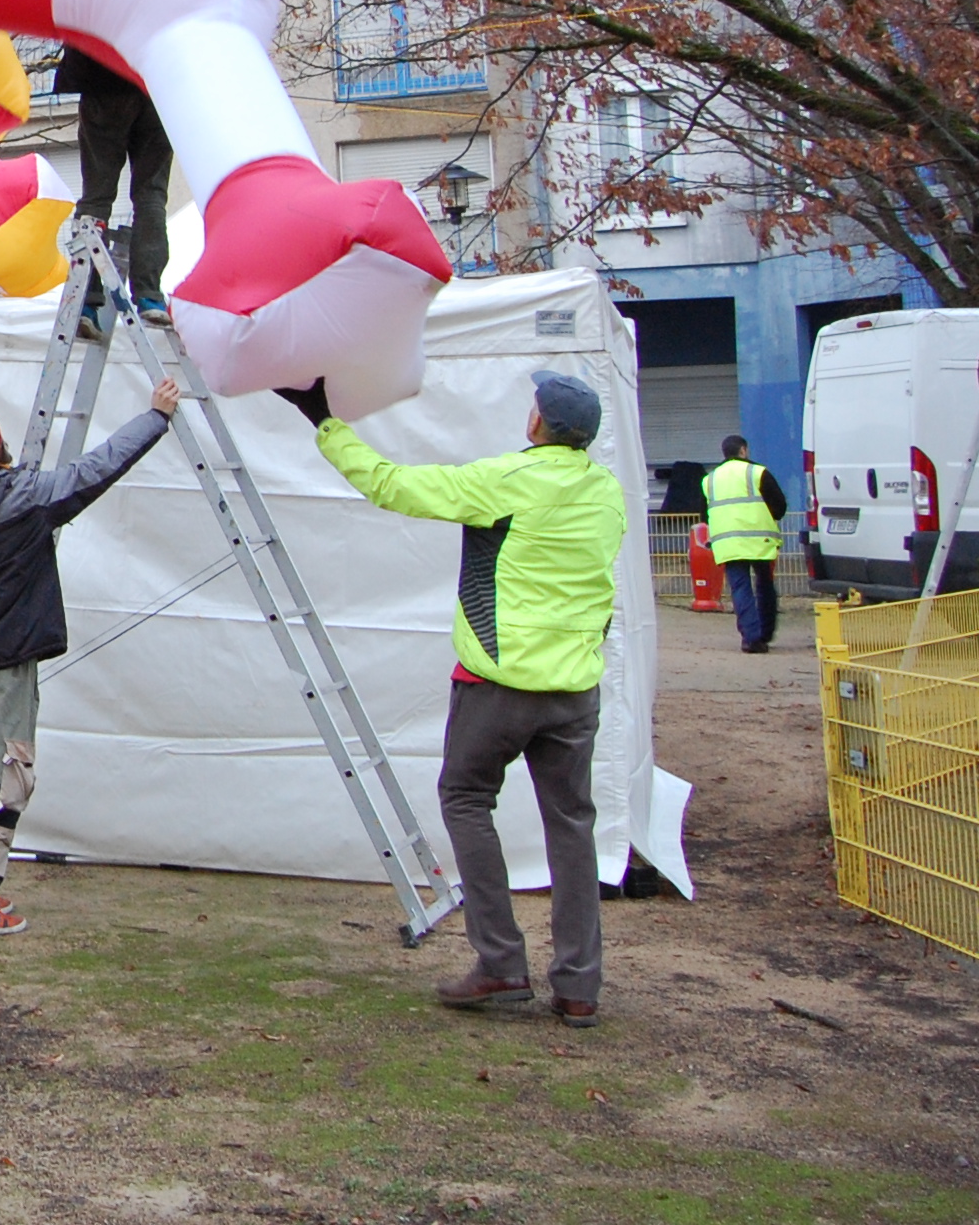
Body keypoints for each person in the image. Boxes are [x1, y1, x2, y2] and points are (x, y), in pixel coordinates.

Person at [278, 369, 625, 1027]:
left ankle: (501, 966)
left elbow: (393, 485)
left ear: (536, 424)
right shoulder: (607, 492)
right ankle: (579, 986)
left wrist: (324, 421)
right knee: (573, 829)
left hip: (499, 683)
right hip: (576, 689)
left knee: (466, 799)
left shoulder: (507, 481)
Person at [0, 382, 180, 938]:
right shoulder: (27, 498)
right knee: (5, 774)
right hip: (9, 657)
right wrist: (155, 418)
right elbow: (96, 471)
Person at [54, 0, 176, 328]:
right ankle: (150, 296)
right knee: (151, 193)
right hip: (161, 82)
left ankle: (86, 299)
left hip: (108, 80)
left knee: (97, 195)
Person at [704, 433, 787, 654]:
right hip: (760, 539)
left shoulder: (709, 479)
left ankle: (751, 639)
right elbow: (780, 505)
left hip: (728, 542)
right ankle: (766, 632)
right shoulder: (757, 472)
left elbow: (706, 514)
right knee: (764, 584)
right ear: (743, 451)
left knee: (740, 587)